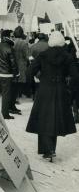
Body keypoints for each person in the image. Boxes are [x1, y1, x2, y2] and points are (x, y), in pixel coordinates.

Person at [26, 31, 79, 160]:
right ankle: (51, 149)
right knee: (55, 119)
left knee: (44, 118)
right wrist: (70, 90)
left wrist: (38, 79)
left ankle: (47, 149)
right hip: (60, 89)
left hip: (44, 89)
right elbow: (76, 77)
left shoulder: (43, 55)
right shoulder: (67, 57)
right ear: (62, 42)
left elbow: (29, 72)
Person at [0, 29, 19, 119]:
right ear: (6, 37)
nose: (13, 38)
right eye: (11, 36)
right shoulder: (11, 49)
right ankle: (5, 114)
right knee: (6, 95)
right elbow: (13, 64)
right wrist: (16, 74)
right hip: (7, 75)